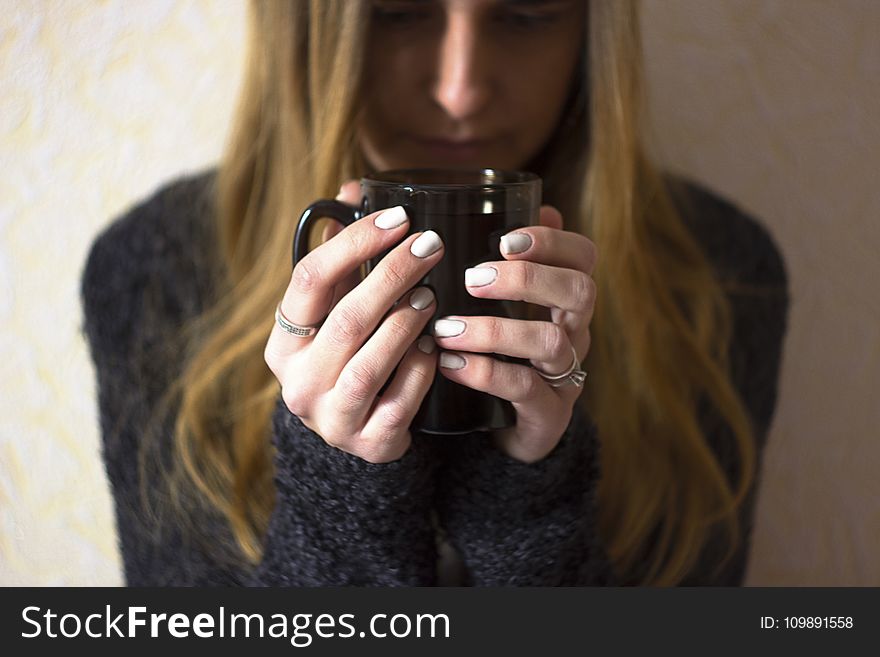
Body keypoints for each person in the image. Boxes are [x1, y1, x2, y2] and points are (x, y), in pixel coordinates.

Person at [81, 0, 789, 586]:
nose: (460, 89)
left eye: (527, 13)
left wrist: (529, 492)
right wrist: (342, 479)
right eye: (398, 11)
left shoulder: (717, 276)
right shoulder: (155, 273)